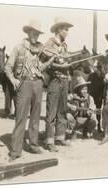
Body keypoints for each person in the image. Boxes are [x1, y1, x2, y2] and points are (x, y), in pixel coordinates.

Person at [4, 20, 50, 161]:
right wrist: (13, 80)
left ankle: (34, 145)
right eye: (33, 32)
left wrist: (50, 60)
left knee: (35, 117)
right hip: (23, 84)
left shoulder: (40, 50)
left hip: (37, 83)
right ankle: (16, 151)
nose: (35, 35)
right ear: (28, 32)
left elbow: (41, 67)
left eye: (37, 33)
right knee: (21, 118)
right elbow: (7, 67)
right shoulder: (18, 48)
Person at [43, 16, 74, 152]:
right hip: (54, 81)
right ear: (58, 30)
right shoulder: (49, 44)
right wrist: (60, 66)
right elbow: (46, 64)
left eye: (67, 30)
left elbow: (66, 62)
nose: (67, 32)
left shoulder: (65, 46)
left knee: (62, 110)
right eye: (65, 30)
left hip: (65, 81)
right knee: (52, 112)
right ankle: (49, 141)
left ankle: (60, 137)